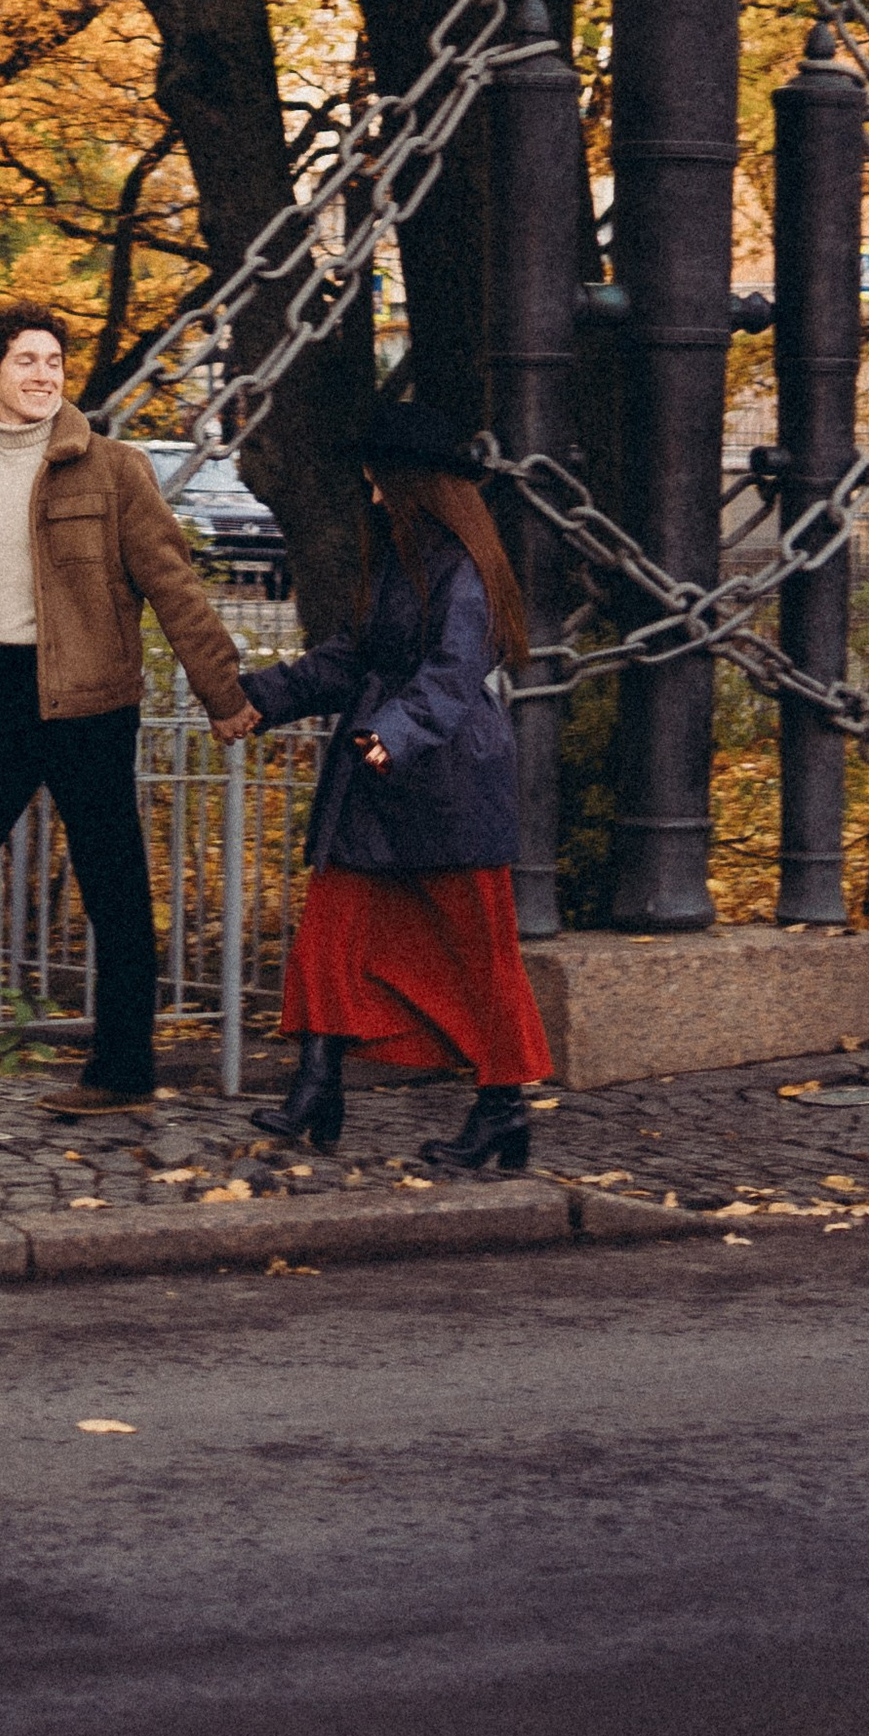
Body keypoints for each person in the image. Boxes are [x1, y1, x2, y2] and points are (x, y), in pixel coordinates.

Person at [0, 305, 254, 1109]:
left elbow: (174, 585)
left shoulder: (112, 468)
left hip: (90, 702)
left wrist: (224, 692)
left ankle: (123, 1072)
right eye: (25, 361)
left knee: (113, 885)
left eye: (53, 361)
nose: (42, 375)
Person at [237, 398, 553, 1172]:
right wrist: (259, 696)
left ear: (418, 483)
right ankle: (317, 1083)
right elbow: (352, 658)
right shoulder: (397, 555)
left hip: (447, 780)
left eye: (382, 480)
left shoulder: (463, 563)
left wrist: (391, 738)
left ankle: (503, 1108)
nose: (372, 494)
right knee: (332, 933)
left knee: (482, 952)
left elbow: (455, 671)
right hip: (378, 774)